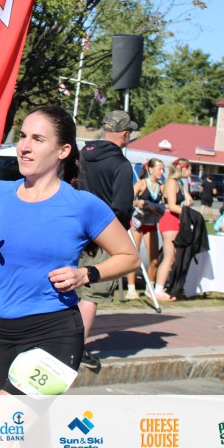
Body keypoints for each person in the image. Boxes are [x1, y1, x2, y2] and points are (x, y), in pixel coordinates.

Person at [0, 106, 139, 394]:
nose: (25, 147)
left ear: (63, 151)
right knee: (28, 423)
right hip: (3, 331)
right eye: (23, 136)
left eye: (38, 139)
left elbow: (130, 258)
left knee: (2, 416)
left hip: (55, 334)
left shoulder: (82, 204)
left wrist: (85, 274)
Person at [76, 110, 140, 370]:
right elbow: (122, 206)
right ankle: (76, 348)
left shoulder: (83, 154)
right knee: (91, 292)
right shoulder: (121, 164)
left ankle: (56, 341)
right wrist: (120, 232)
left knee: (68, 286)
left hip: (75, 227)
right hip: (103, 233)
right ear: (124, 135)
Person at [153, 158, 192, 302]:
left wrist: (186, 205)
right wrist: (188, 213)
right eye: (190, 169)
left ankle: (163, 287)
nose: (191, 172)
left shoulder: (179, 183)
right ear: (183, 168)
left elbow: (190, 199)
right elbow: (172, 205)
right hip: (170, 219)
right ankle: (158, 290)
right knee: (168, 257)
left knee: (173, 257)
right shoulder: (171, 182)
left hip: (176, 220)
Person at [129, 158, 165, 300]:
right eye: (159, 169)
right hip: (138, 223)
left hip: (151, 223)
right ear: (151, 169)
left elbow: (165, 204)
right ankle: (131, 289)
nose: (162, 172)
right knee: (134, 256)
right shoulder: (141, 184)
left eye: (163, 169)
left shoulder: (161, 187)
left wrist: (157, 207)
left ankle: (150, 287)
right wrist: (138, 202)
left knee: (154, 259)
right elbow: (127, 200)